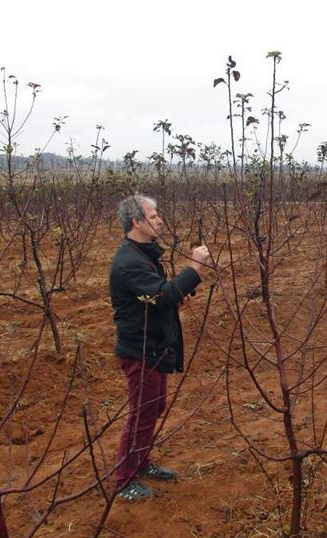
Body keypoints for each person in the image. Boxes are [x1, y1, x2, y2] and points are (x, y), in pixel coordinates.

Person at [109, 194, 210, 501]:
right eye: (153, 217)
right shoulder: (128, 262)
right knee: (141, 414)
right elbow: (161, 296)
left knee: (154, 408)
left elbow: (155, 299)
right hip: (140, 349)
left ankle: (141, 463)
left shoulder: (143, 255)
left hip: (153, 344)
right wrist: (194, 266)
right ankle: (125, 480)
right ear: (136, 222)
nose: (160, 220)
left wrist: (175, 296)